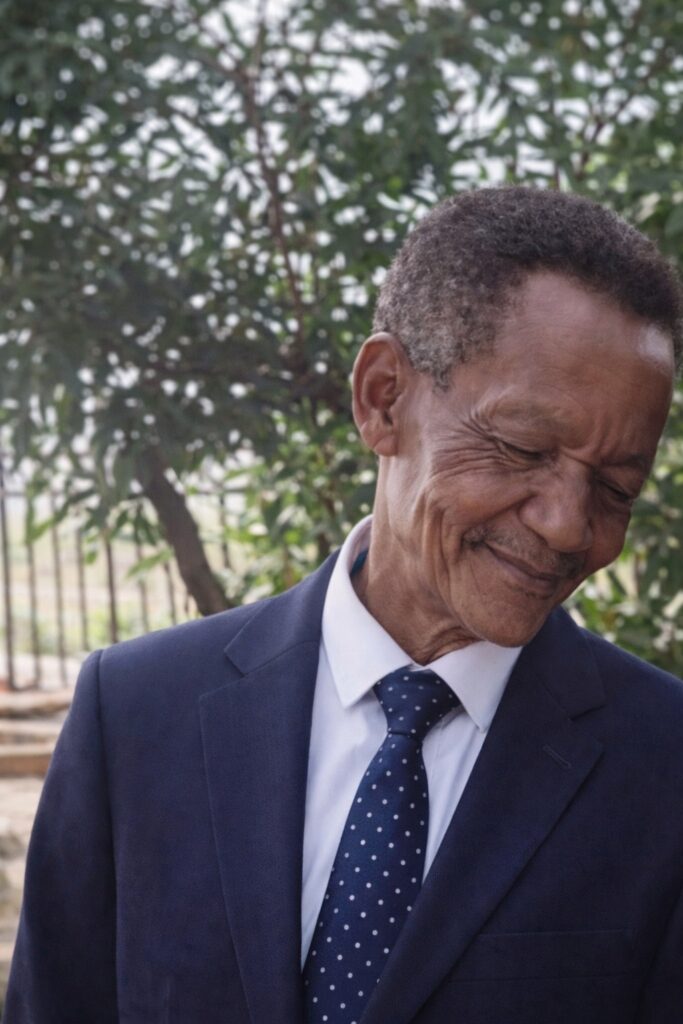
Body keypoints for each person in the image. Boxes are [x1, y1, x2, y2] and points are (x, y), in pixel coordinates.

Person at [4, 187, 683, 1024]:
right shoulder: (136, 715)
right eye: (523, 447)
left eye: (615, 488)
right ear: (382, 397)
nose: (568, 524)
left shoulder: (663, 767)